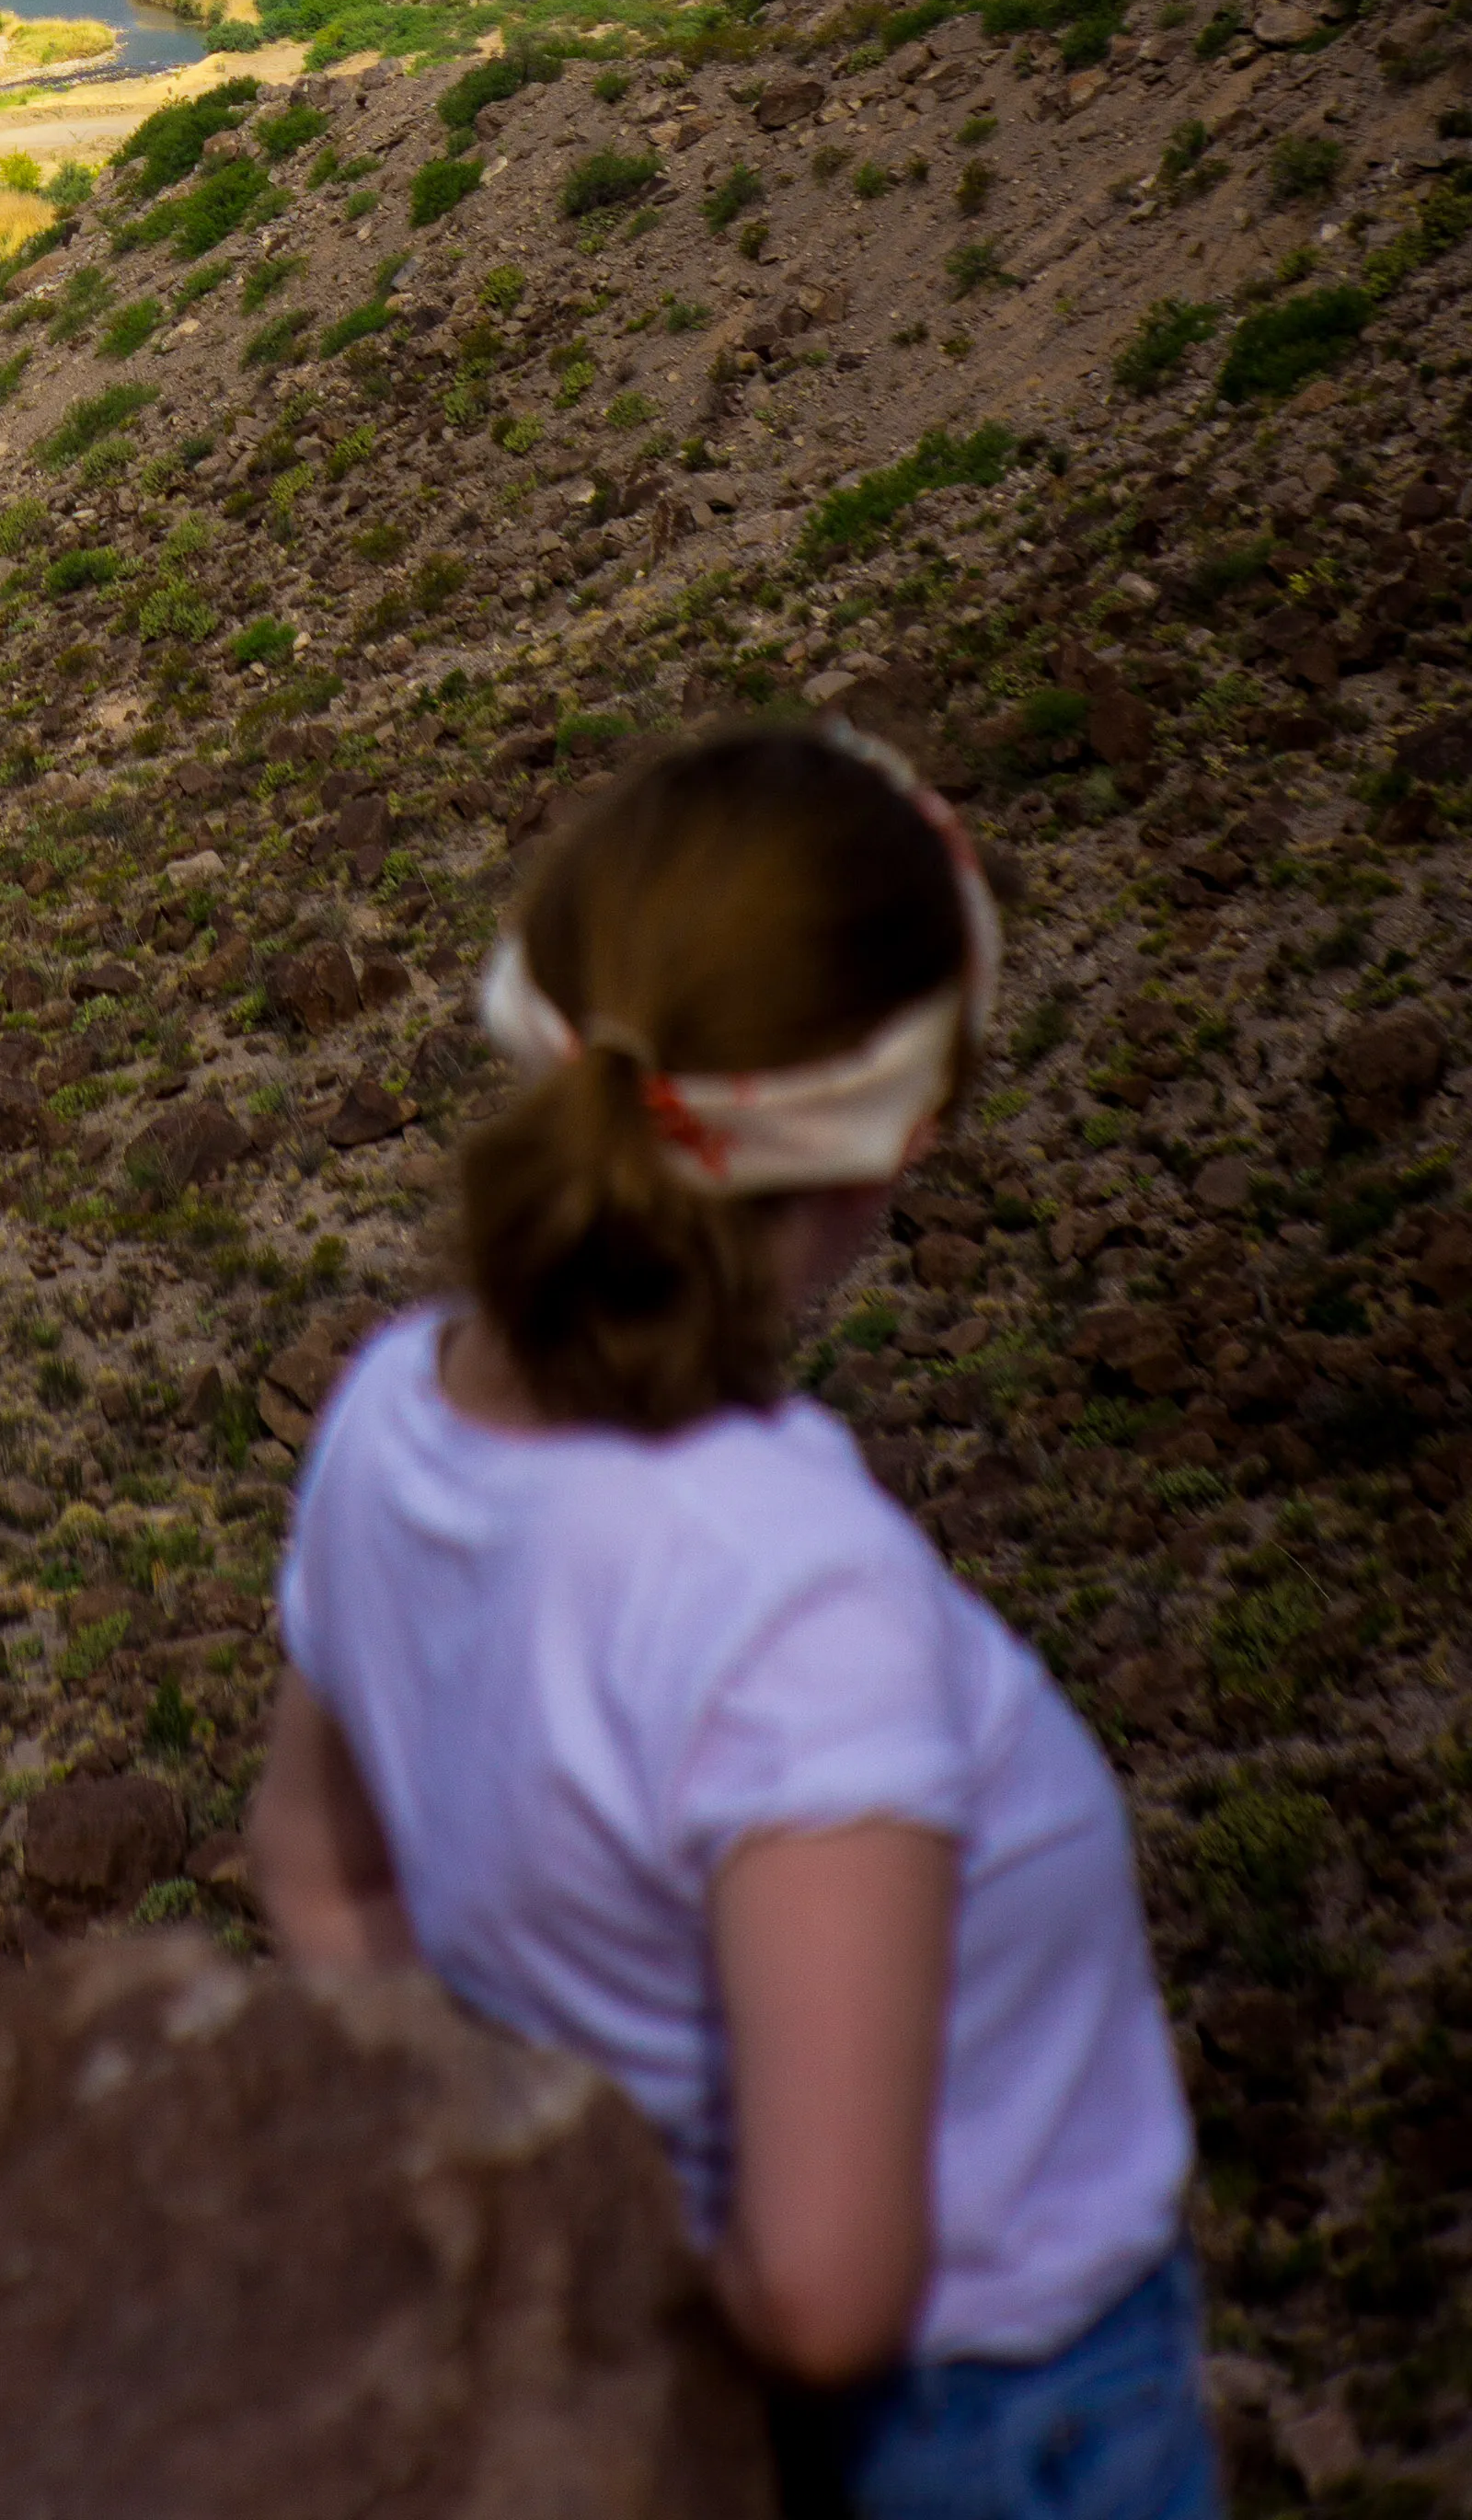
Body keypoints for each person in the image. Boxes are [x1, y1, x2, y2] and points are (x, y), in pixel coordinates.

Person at [249, 717, 1213, 2520]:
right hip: (992, 2422)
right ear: (893, 1136)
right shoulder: (791, 1597)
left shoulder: (387, 1414)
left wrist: (523, 2230)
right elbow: (830, 2290)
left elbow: (317, 1875)